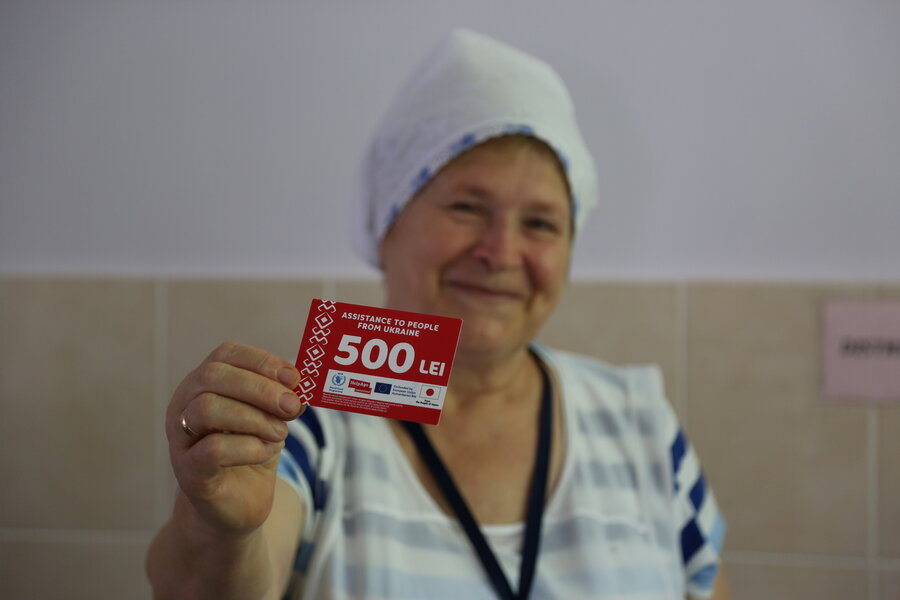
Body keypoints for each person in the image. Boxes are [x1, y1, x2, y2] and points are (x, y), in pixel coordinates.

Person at [147, 29, 728, 599]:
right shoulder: (303, 427)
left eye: (541, 223)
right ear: (388, 225)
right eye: (467, 208)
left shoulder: (642, 426)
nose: (500, 254)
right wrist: (223, 530)